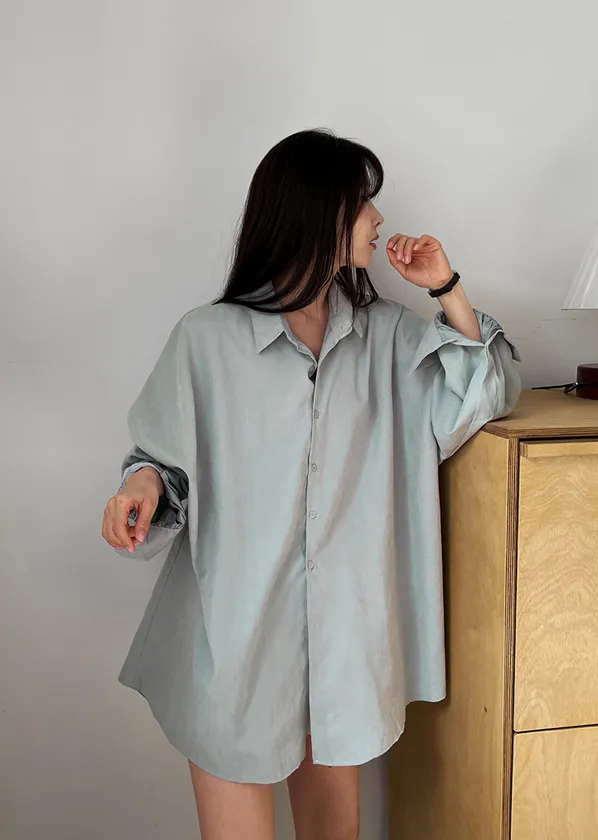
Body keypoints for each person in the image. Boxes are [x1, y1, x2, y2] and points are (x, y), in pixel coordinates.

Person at [101, 129, 521, 840]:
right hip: (232, 643)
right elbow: (161, 461)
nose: (378, 219)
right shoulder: (207, 339)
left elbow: (488, 389)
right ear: (315, 211)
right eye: (363, 203)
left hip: (342, 651)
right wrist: (140, 485)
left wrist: (447, 289)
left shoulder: (387, 339)